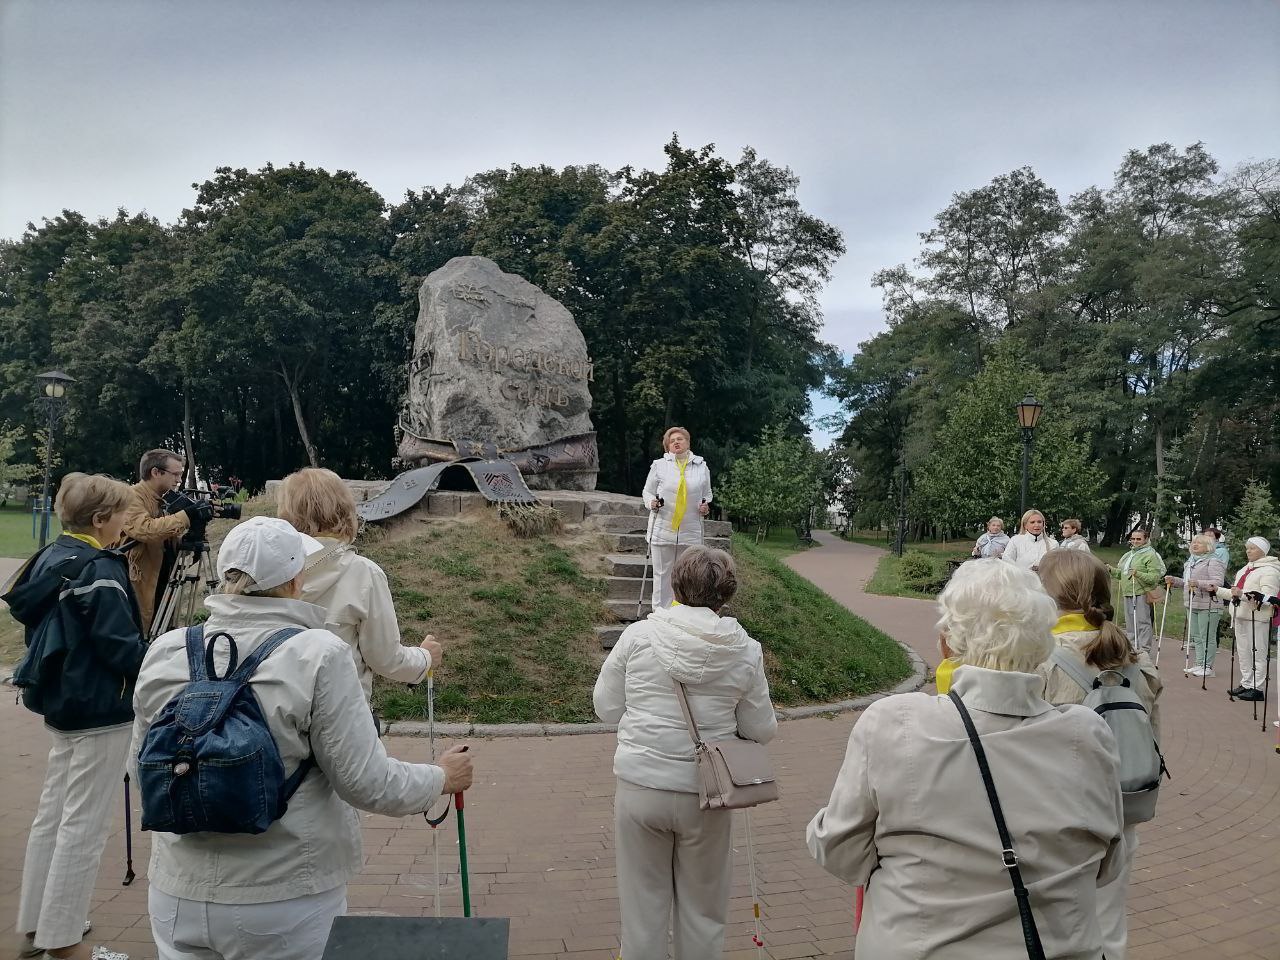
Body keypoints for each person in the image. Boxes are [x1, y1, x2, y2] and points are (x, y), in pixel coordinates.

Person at [132, 517, 473, 960]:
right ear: (297, 579)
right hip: (284, 895)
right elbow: (366, 782)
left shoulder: (166, 649)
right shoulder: (319, 653)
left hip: (175, 895)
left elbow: (142, 772)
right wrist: (440, 778)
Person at [806, 559, 1124, 959]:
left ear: (947, 644)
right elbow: (1107, 865)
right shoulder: (1088, 735)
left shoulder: (893, 723)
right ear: (1045, 645)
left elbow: (841, 853)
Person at [593, 547, 776, 960]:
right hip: (708, 794)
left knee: (642, 914)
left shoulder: (638, 637)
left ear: (676, 584)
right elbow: (761, 729)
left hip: (641, 788)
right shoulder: (746, 650)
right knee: (704, 914)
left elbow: (606, 708)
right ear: (725, 593)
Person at [8, 474, 148, 960]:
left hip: (61, 701)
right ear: (101, 519)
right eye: (122, 514)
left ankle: (35, 926)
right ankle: (64, 941)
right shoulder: (101, 567)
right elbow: (120, 646)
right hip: (100, 707)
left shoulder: (51, 557)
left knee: (53, 816)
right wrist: (158, 659)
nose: (127, 522)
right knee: (83, 827)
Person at [1037, 549, 1161, 960]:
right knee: (1109, 928)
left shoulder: (1038, 660)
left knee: (1046, 929)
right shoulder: (1135, 659)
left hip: (1054, 817)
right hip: (1121, 814)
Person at [277, 468, 434, 704]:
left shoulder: (269, 571)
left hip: (279, 712)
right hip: (343, 718)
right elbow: (385, 658)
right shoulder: (363, 573)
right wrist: (425, 657)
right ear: (344, 510)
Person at [121, 449, 209, 636]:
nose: (178, 480)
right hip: (139, 583)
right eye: (175, 474)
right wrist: (187, 515)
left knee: (163, 630)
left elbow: (164, 536)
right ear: (155, 472)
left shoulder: (163, 500)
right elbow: (145, 529)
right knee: (141, 633)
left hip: (163, 579)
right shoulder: (131, 497)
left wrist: (192, 534)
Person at [641, 427, 713, 610]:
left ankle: (679, 613)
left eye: (680, 439)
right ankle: (659, 614)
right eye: (672, 441)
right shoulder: (659, 465)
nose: (676, 442)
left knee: (686, 576)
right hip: (662, 528)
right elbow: (647, 491)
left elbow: (707, 494)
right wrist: (652, 502)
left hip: (690, 531)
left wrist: (705, 506)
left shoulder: (701, 466)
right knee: (662, 575)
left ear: (688, 443)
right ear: (668, 447)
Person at [1202, 536, 1280, 702]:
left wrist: (1242, 595)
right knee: (1244, 652)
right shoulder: (1246, 569)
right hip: (1240, 615)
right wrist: (1217, 590)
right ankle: (1246, 683)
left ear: (1263, 551)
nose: (1248, 551)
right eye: (1247, 548)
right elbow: (1235, 593)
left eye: (1252, 548)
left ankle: (1257, 688)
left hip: (1257, 617)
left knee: (1257, 652)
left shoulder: (1270, 570)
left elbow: (1268, 597)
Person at [1165, 534, 1226, 676]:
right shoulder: (1190, 562)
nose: (1194, 545)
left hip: (1209, 604)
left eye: (1199, 543)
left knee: (1207, 636)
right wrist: (1174, 580)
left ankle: (1208, 667)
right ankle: (1199, 663)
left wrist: (1199, 583)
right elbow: (1188, 583)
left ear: (1209, 547)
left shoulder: (1213, 561)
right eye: (1193, 542)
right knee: (1197, 636)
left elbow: (1218, 582)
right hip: (1192, 603)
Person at [1110, 529, 1166, 656]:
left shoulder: (1150, 555)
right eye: (1133, 539)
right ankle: (1131, 647)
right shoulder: (1128, 555)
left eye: (1138, 539)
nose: (1135, 541)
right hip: (1128, 591)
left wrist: (1138, 573)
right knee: (1130, 622)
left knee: (1143, 621)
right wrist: (1110, 570)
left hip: (1141, 592)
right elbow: (1122, 574)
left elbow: (1154, 577)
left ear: (1146, 539)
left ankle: (1144, 649)